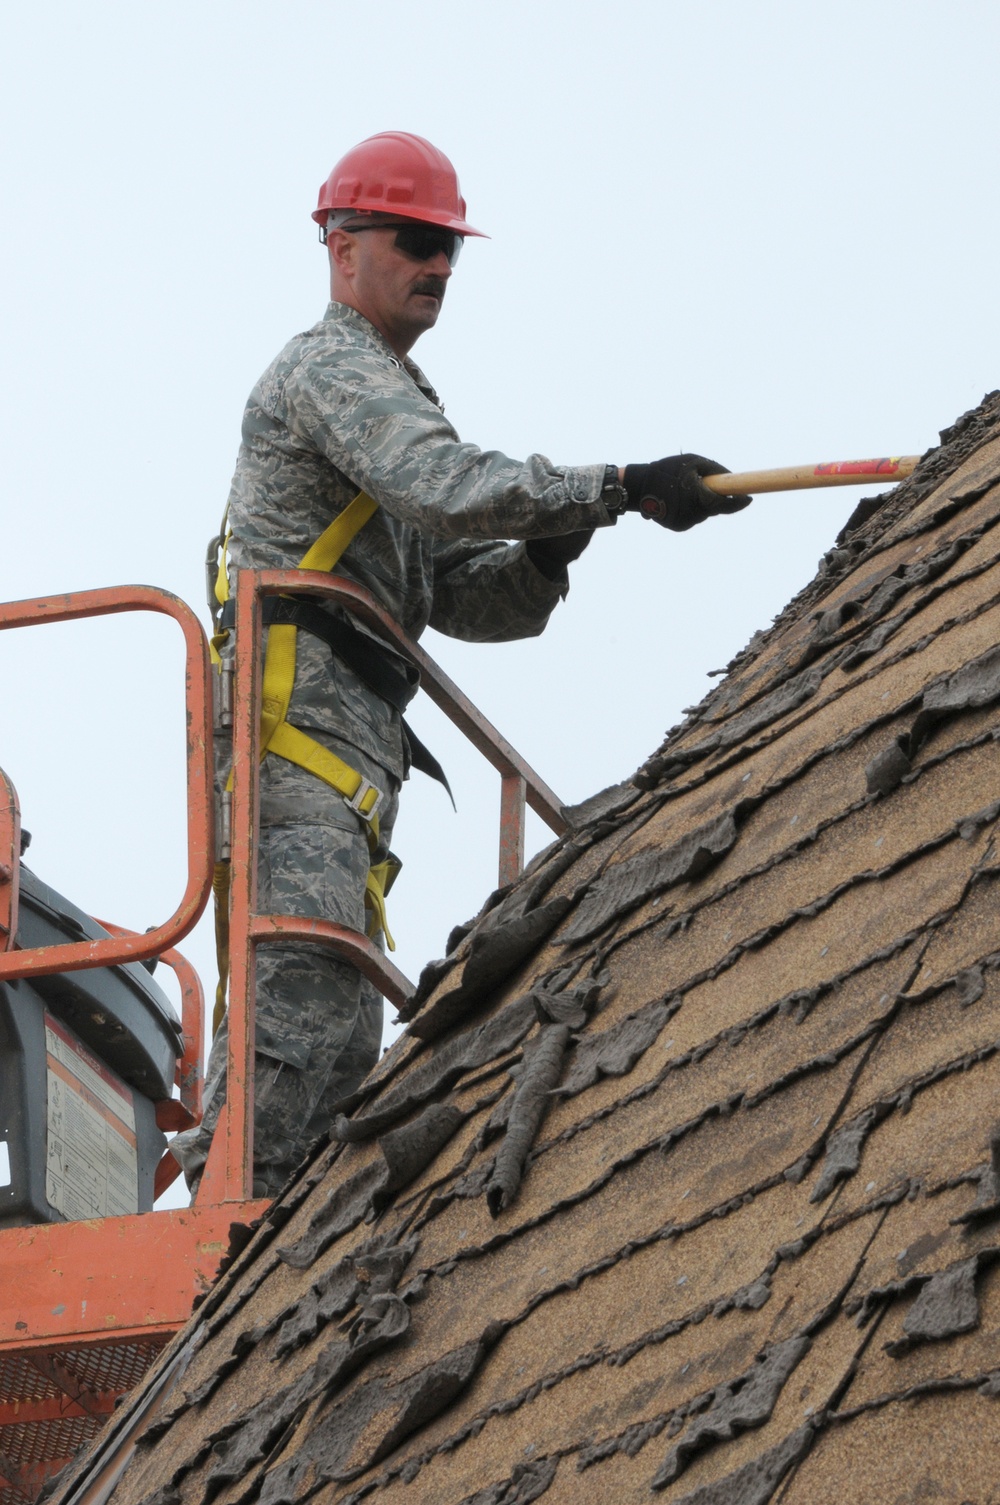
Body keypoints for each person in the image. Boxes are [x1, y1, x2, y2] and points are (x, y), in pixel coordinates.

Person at [170, 131, 750, 1198]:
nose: (438, 265)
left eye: (450, 249)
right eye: (416, 241)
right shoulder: (331, 368)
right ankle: (220, 1221)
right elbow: (442, 485)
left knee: (342, 1019)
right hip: (291, 729)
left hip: (348, 750)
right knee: (297, 999)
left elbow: (463, 594)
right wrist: (612, 484)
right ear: (342, 247)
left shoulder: (398, 393)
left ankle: (259, 1246)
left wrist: (548, 549)